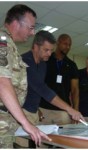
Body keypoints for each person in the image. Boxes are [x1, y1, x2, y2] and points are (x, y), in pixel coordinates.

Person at [0, 4, 50, 148]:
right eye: (30, 27)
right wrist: (26, 123)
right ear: (16, 24)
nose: (33, 33)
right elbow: (2, 82)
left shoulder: (10, 46)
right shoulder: (2, 42)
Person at [22, 31, 84, 126]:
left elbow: (37, 91)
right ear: (35, 46)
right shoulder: (25, 61)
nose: (50, 54)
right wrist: (70, 109)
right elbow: (41, 88)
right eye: (46, 50)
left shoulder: (43, 64)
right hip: (20, 111)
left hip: (33, 112)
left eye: (51, 50)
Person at [39, 34, 79, 125]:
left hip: (63, 110)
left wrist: (75, 110)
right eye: (65, 44)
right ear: (58, 43)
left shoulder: (72, 65)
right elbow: (38, 84)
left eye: (69, 45)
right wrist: (36, 108)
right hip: (44, 108)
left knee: (64, 138)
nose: (67, 47)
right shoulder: (46, 60)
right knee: (42, 138)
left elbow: (75, 90)